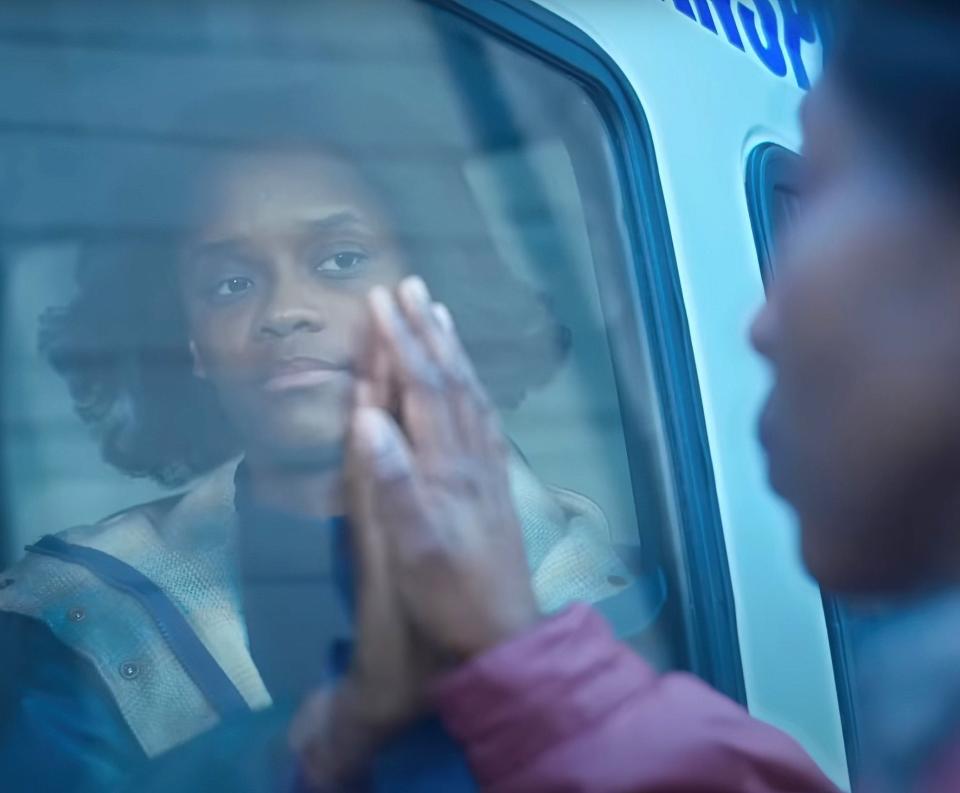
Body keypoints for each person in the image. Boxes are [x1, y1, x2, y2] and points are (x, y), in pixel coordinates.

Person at [0, 97, 636, 791]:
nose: (282, 311)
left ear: (432, 294)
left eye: (340, 259)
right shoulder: (78, 622)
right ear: (192, 344)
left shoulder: (617, 598)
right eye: (232, 282)